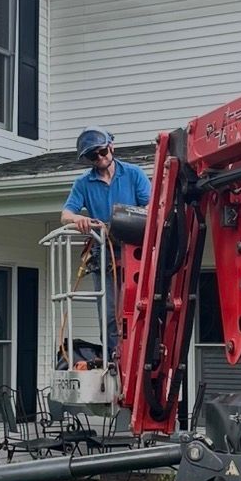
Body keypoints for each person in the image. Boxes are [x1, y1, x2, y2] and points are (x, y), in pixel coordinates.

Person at [61, 127, 151, 358]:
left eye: (102, 152)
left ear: (111, 147)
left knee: (140, 308)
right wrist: (79, 218)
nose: (100, 158)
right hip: (104, 253)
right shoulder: (83, 183)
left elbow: (151, 208)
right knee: (110, 314)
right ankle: (115, 361)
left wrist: (128, 220)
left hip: (136, 252)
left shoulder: (133, 173)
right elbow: (66, 214)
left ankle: (141, 359)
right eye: (94, 156)